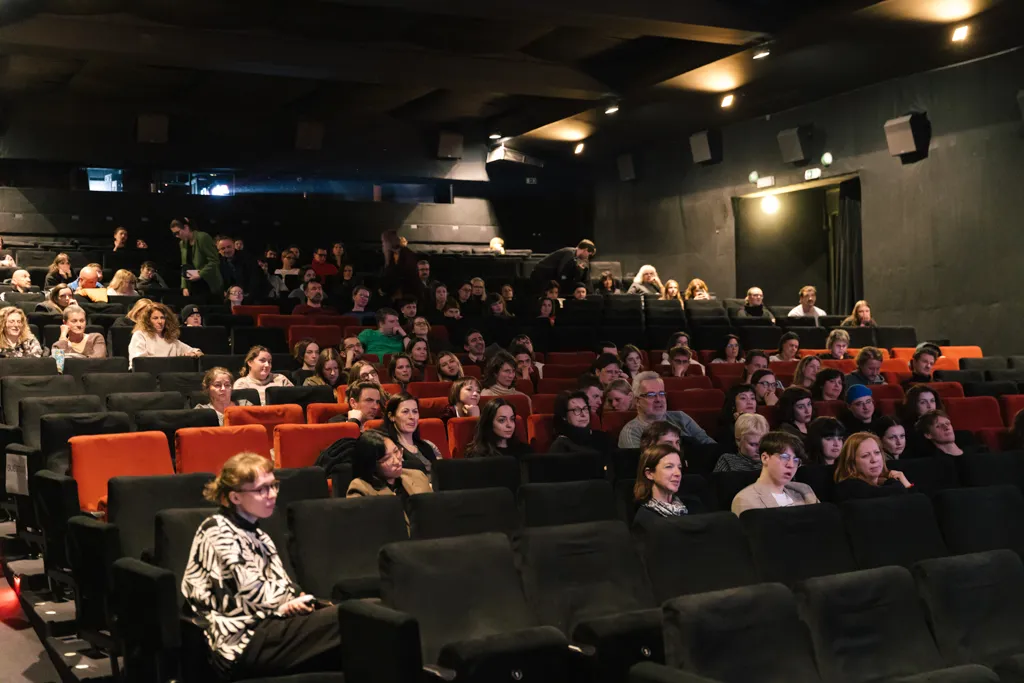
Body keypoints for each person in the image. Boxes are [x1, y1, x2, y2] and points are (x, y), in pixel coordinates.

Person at [182, 452, 344, 679]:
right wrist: (287, 603)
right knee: (350, 619)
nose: (272, 494)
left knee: (363, 615)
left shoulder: (260, 535)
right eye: (262, 489)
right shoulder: (216, 531)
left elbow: (282, 587)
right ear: (235, 497)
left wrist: (295, 601)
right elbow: (251, 592)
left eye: (273, 486)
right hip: (239, 640)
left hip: (268, 626)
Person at [618, 372, 715, 448]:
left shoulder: (680, 417)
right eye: (651, 395)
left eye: (661, 394)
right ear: (637, 401)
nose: (658, 399)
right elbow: (640, 464)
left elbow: (710, 445)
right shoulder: (632, 432)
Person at [346, 429, 433, 514]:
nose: (397, 461)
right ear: (372, 465)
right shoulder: (361, 488)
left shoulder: (417, 476)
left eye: (396, 451)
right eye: (387, 458)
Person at [731, 432, 818, 514]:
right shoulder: (746, 499)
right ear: (765, 458)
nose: (791, 465)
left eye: (795, 460)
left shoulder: (804, 490)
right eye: (784, 457)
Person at [833, 432, 913, 501]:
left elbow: (916, 502)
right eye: (865, 456)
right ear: (852, 462)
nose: (874, 460)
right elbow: (888, 493)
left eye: (877, 453)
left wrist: (906, 483)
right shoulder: (848, 486)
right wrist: (894, 482)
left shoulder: (882, 484)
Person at [381, 393, 443, 473]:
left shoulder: (430, 446)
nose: (412, 417)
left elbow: (442, 474)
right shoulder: (389, 449)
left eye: (415, 411)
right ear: (391, 416)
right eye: (405, 412)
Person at [633, 443, 695, 522]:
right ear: (649, 474)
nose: (678, 473)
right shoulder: (645, 517)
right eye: (669, 467)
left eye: (679, 468)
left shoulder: (692, 505)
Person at [128, 303, 202, 369]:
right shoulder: (140, 335)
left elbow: (196, 351)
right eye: (155, 318)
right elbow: (139, 362)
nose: (160, 321)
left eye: (162, 318)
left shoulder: (170, 338)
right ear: (148, 321)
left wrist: (194, 354)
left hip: (169, 376)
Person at [171, 218, 223, 299]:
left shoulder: (203, 237)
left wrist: (200, 274)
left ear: (186, 227)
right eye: (174, 234)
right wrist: (184, 286)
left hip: (208, 284)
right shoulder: (182, 243)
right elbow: (184, 266)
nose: (177, 236)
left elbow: (214, 261)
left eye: (178, 232)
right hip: (193, 284)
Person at [550, 390, 612, 454]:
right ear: (564, 416)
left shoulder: (603, 437)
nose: (583, 414)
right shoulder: (560, 445)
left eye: (585, 409)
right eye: (576, 410)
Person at [465, 397, 531, 458]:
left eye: (512, 419)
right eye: (502, 420)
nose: (509, 425)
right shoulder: (477, 454)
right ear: (489, 422)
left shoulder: (525, 451)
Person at [530, 239, 596, 293]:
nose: (587, 257)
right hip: (541, 276)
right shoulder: (570, 253)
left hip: (546, 276)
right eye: (589, 254)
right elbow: (562, 272)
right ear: (585, 250)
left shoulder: (574, 256)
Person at [217, 235, 268, 301]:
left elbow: (256, 279)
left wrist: (247, 296)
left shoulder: (248, 258)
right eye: (223, 248)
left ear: (234, 246)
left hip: (252, 295)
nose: (226, 250)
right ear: (219, 251)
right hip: (231, 297)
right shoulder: (218, 262)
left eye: (229, 247)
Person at [379, 229, 419, 300]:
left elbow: (404, 275)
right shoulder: (389, 256)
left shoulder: (407, 255)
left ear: (390, 242)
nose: (383, 245)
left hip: (406, 296)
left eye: (384, 242)